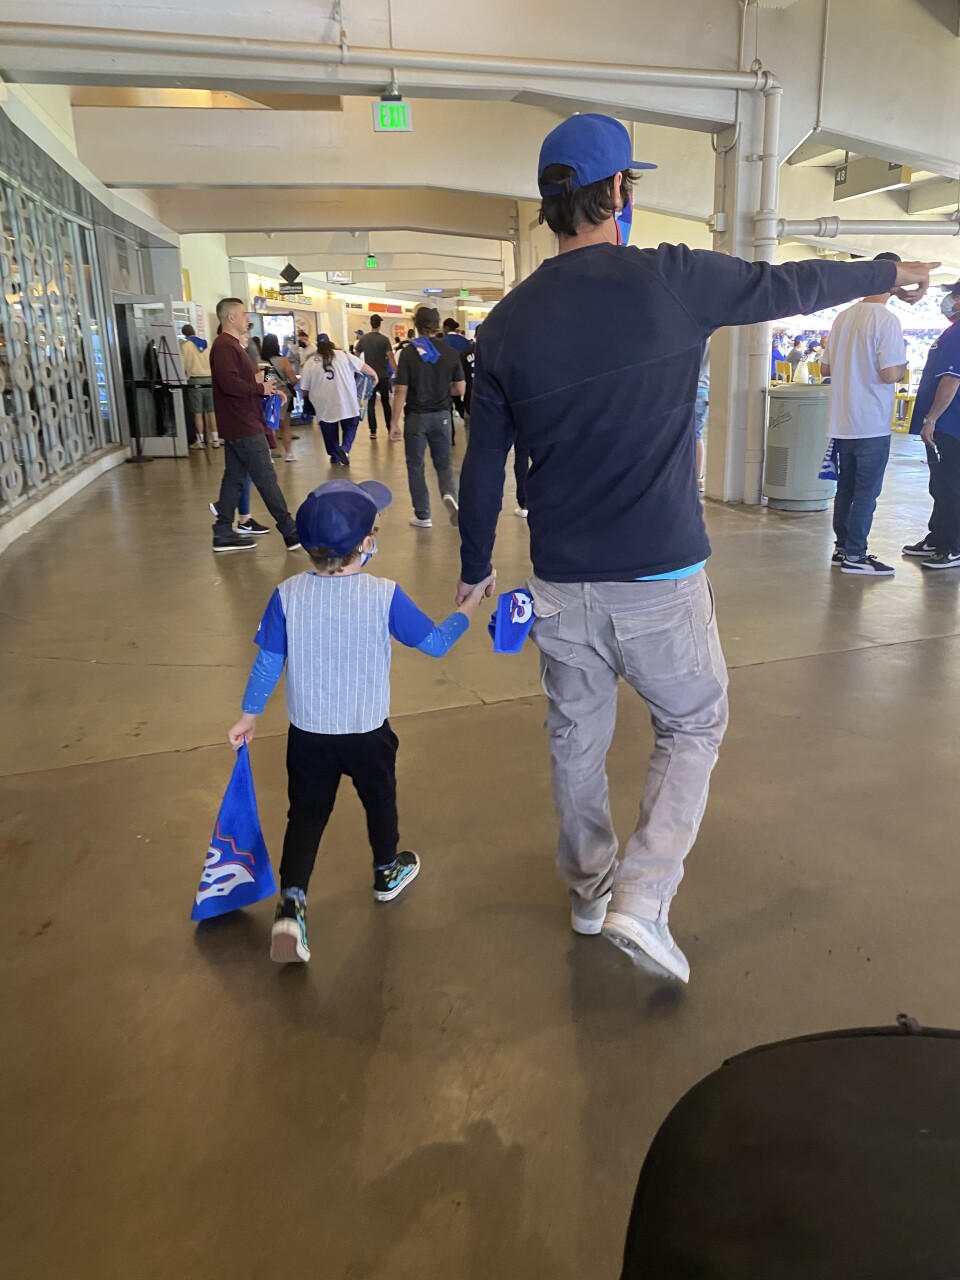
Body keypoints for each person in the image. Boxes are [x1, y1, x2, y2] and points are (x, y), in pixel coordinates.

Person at [455, 111, 937, 981]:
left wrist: (473, 566)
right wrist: (888, 272)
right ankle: (642, 897)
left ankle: (591, 889)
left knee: (576, 739)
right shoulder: (672, 278)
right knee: (693, 719)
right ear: (618, 192)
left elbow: (482, 463)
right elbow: (791, 284)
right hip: (660, 578)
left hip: (560, 582)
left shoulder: (506, 323)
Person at [227, 478, 495, 963]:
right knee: (380, 800)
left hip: (308, 736)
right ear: (366, 544)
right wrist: (471, 604)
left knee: (305, 816)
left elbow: (267, 663)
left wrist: (248, 716)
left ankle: (291, 907)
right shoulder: (384, 594)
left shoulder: (286, 595)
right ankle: (386, 870)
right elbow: (436, 644)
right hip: (368, 732)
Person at [821, 251, 906, 577]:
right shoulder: (886, 320)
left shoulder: (842, 317)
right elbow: (889, 373)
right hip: (871, 421)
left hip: (842, 420)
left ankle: (842, 548)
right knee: (866, 493)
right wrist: (903, 367)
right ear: (893, 280)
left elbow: (825, 368)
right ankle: (857, 554)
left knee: (845, 489)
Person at [209, 297, 301, 554]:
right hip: (243, 422)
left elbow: (245, 378)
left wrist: (267, 389)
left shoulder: (234, 347)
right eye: (243, 314)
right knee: (265, 477)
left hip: (241, 420)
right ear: (231, 318)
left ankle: (223, 530)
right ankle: (291, 532)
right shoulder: (225, 347)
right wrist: (261, 388)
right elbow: (231, 384)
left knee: (235, 478)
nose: (247, 320)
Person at [389, 305, 465, 529]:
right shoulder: (450, 353)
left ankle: (423, 515)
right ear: (438, 326)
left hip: (416, 417)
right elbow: (460, 389)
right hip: (442, 416)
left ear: (416, 324)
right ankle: (450, 494)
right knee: (444, 463)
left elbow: (401, 390)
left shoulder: (409, 353)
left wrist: (394, 422)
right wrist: (440, 390)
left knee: (416, 466)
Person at [903, 280, 960, 569]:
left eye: (954, 295)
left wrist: (932, 418)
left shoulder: (958, 333)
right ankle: (938, 537)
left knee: (949, 486)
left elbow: (951, 379)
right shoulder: (952, 332)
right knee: (940, 483)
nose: (949, 300)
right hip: (946, 424)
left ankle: (953, 546)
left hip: (950, 423)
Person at [299, 335, 377, 466]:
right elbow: (363, 367)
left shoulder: (310, 362)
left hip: (323, 403)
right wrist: (374, 375)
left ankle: (335, 455)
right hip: (347, 399)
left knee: (328, 430)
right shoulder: (343, 355)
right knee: (351, 425)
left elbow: (304, 388)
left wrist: (306, 400)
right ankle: (345, 449)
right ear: (331, 343)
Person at [355, 313, 396, 439]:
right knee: (385, 403)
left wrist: (358, 369)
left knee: (371, 404)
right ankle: (390, 428)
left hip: (369, 377)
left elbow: (356, 355)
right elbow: (390, 357)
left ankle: (373, 431)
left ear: (371, 324)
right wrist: (397, 370)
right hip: (383, 376)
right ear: (379, 324)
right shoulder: (384, 339)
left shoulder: (364, 339)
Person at [180, 324, 221, 449]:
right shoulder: (206, 344)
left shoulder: (185, 346)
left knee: (197, 412)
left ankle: (201, 441)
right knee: (211, 411)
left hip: (195, 381)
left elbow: (182, 365)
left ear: (184, 334)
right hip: (209, 380)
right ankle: (215, 439)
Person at [261, 332, 299, 462]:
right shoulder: (283, 361)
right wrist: (288, 384)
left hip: (268, 394)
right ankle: (288, 453)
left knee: (269, 424)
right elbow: (293, 379)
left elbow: (266, 379)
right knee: (285, 425)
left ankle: (270, 453)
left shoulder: (260, 362)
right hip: (285, 396)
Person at [441, 318, 474, 433]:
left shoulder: (442, 342)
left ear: (446, 328)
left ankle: (451, 436)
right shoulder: (465, 342)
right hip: (462, 380)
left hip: (446, 380)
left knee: (448, 408)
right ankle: (467, 424)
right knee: (462, 405)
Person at [694, 342, 709, 491]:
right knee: (696, 435)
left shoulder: (697, 341)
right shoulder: (714, 344)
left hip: (689, 388)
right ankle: (698, 479)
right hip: (703, 390)